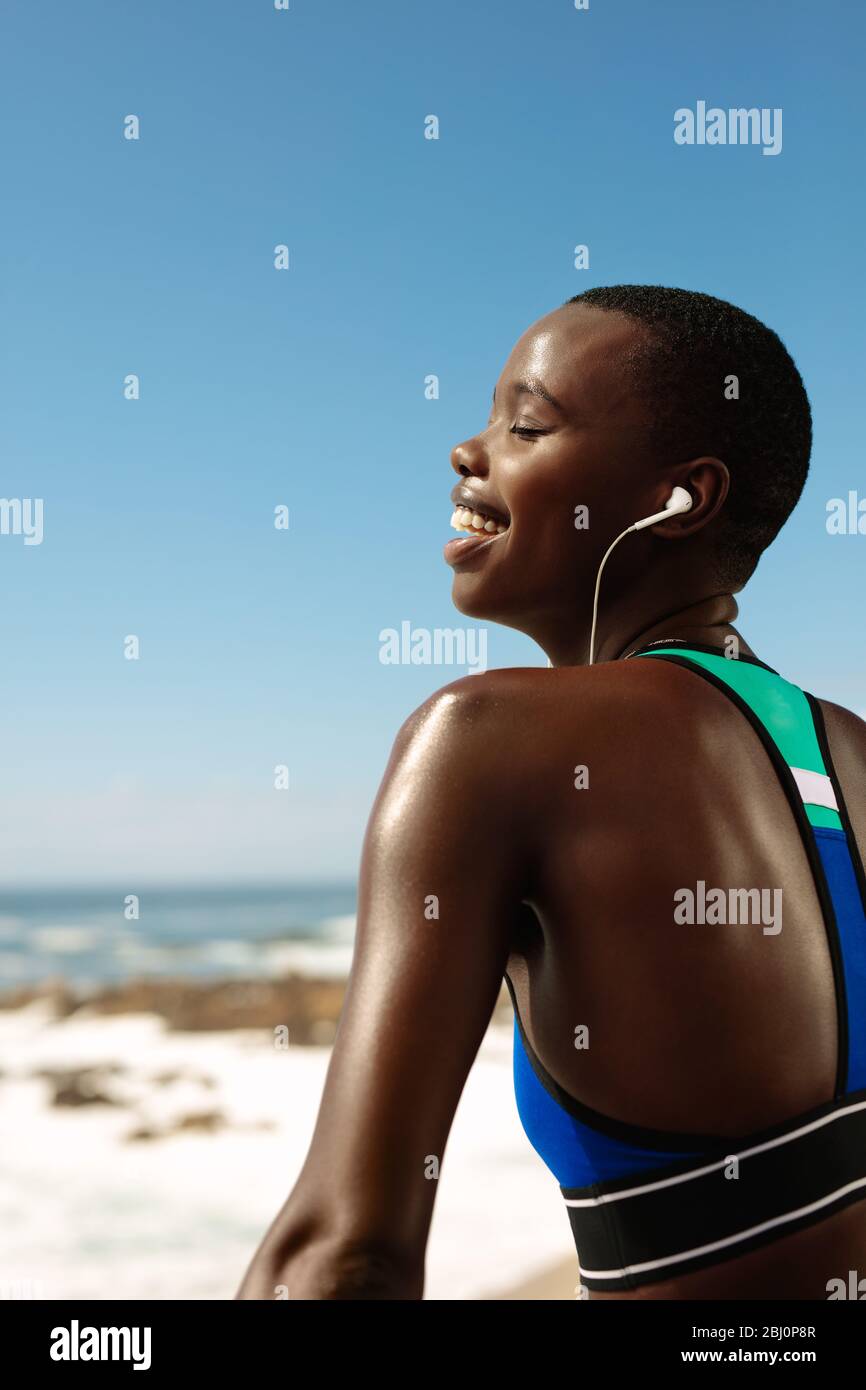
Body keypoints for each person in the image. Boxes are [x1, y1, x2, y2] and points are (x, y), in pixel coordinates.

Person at [237, 285, 866, 1300]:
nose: (467, 449)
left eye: (525, 423)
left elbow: (341, 1256)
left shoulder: (484, 741)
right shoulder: (853, 753)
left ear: (682, 500)